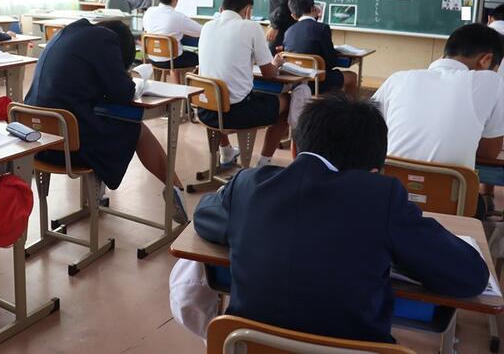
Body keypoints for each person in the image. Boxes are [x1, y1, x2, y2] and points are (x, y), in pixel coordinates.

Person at [186, 95, 488, 342]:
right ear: (374, 171)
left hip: (251, 346)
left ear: (294, 149)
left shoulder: (249, 185)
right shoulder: (381, 197)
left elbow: (203, 217)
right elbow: (470, 276)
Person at [25, 18, 188, 223]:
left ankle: (97, 196)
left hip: (39, 145)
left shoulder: (67, 33)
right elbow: (123, 93)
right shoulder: (106, 39)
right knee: (136, 129)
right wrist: (125, 76)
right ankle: (174, 187)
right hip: (70, 149)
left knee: (100, 123)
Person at [373, 23, 504, 215]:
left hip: (389, 196)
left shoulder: (398, 79)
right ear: (486, 60)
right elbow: (489, 153)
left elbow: (368, 129)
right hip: (453, 204)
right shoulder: (492, 82)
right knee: (480, 206)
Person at [198, 0, 294, 167]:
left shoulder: (207, 27)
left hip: (205, 110)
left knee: (223, 96)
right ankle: (264, 163)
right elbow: (268, 73)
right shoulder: (251, 27)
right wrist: (276, 63)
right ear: (248, 9)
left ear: (222, 8)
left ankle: (226, 152)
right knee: (287, 101)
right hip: (236, 113)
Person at [283, 0, 358, 95]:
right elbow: (331, 61)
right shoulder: (322, 28)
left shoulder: (288, 32)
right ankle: (348, 106)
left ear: (293, 15)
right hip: (318, 81)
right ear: (314, 9)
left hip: (295, 81)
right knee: (352, 77)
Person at [142, 0, 202, 82]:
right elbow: (201, 31)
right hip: (172, 61)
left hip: (152, 58)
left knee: (177, 50)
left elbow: (147, 30)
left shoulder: (149, 12)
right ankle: (190, 88)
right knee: (198, 58)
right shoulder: (177, 17)